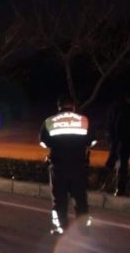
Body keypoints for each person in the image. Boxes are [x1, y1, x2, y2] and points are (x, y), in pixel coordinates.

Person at [38, 95, 97, 235]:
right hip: (78, 165)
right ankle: (83, 228)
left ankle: (60, 227)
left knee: (59, 199)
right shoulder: (84, 120)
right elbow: (93, 141)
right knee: (80, 198)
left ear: (59, 107)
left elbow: (43, 142)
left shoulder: (50, 121)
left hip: (58, 166)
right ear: (73, 106)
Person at [100, 93, 130, 193]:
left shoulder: (114, 106)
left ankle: (103, 184)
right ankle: (119, 189)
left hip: (114, 139)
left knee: (111, 162)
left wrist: (111, 138)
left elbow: (109, 124)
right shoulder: (127, 108)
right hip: (122, 140)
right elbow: (122, 124)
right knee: (122, 164)